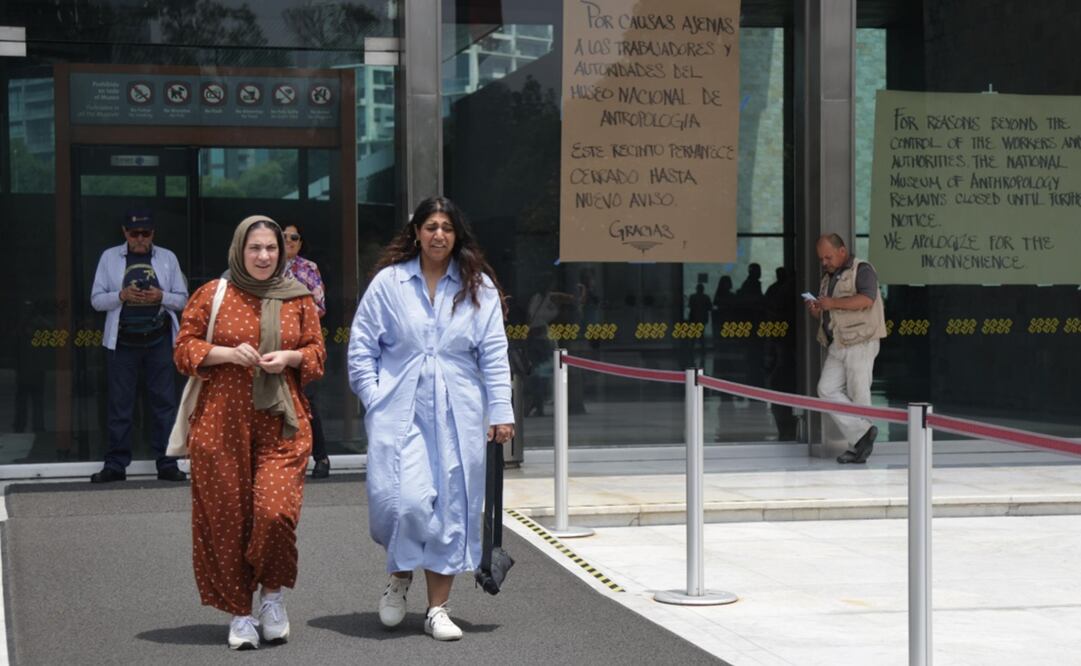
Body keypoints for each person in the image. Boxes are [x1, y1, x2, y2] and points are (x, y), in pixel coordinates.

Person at [347, 196, 514, 642]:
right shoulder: (389, 283)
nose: (438, 234)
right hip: (399, 408)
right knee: (404, 501)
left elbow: (494, 353)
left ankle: (438, 608)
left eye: (447, 227)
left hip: (459, 408)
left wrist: (501, 409)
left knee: (451, 506)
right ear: (416, 232)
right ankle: (399, 576)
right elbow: (362, 346)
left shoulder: (477, 287)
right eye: (430, 226)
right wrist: (374, 397)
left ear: (457, 235)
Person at [173, 215, 325, 650]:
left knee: (275, 513)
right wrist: (224, 353)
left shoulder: (298, 298)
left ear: (283, 252)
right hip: (221, 425)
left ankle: (271, 597)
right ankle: (240, 612)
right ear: (240, 250)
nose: (263, 256)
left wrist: (291, 359)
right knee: (226, 522)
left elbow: (317, 355)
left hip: (282, 423)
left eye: (271, 248)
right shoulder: (212, 294)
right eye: (255, 248)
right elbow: (183, 350)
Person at [89, 209, 189, 483]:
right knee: (120, 405)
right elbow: (96, 300)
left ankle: (167, 463)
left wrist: (161, 296)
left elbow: (182, 300)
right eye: (135, 233)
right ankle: (116, 464)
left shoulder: (167, 258)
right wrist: (122, 295)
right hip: (122, 341)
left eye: (146, 233)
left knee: (164, 404)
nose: (140, 239)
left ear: (153, 233)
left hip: (158, 340)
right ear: (125, 233)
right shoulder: (110, 257)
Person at [807, 234, 887, 464]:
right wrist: (818, 310)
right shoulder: (829, 277)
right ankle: (863, 433)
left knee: (859, 393)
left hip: (860, 341)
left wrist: (832, 303)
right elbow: (831, 311)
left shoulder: (862, 269)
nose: (824, 262)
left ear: (842, 251)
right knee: (826, 389)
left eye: (828, 257)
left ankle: (858, 447)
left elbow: (866, 300)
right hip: (838, 342)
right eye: (822, 259)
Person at [282, 223, 331, 479]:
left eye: (294, 237)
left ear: (300, 242)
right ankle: (284, 460)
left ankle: (321, 457)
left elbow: (319, 305)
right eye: (284, 236)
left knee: (308, 401)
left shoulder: (308, 268)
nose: (289, 240)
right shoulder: (266, 265)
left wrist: (292, 302)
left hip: (303, 343)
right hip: (274, 345)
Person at [687, 282, 712, 368]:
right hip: (702, 319)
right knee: (701, 335)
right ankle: (702, 349)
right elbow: (710, 307)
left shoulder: (692, 297)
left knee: (693, 335)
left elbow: (690, 306)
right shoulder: (706, 297)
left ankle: (691, 349)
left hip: (694, 318)